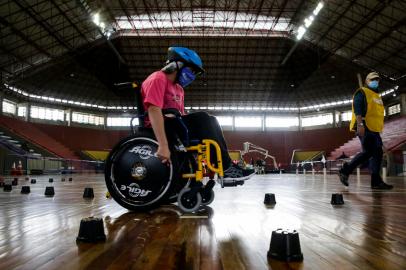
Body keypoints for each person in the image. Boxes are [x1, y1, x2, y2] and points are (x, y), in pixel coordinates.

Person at [141, 46, 255, 181]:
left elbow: (181, 115)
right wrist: (163, 145)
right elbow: (153, 110)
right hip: (158, 127)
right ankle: (226, 168)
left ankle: (225, 166)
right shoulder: (158, 78)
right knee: (204, 118)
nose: (193, 76)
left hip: (175, 126)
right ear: (177, 64)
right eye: (192, 70)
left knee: (211, 119)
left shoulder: (179, 89)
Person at [338, 72, 393, 189]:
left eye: (377, 79)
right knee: (372, 152)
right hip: (365, 126)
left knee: (374, 153)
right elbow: (358, 108)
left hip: (374, 129)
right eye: (373, 79)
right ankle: (349, 172)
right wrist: (360, 124)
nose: (375, 81)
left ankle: (372, 180)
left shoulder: (377, 96)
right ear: (367, 81)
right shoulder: (361, 92)